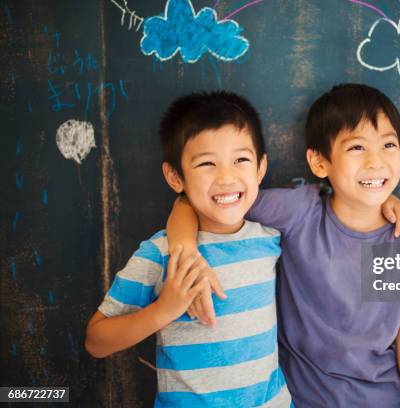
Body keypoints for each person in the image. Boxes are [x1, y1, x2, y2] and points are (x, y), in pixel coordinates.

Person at [168, 83, 400, 407]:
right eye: (357, 148)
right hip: (297, 401)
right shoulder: (299, 212)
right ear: (319, 162)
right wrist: (184, 247)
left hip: (381, 400)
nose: (376, 161)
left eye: (389, 144)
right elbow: (197, 200)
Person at [85, 91, 292, 407]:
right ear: (175, 176)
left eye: (241, 160)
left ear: (261, 168)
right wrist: (165, 309)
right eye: (207, 163)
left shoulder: (272, 240)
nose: (227, 177)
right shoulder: (161, 253)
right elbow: (96, 342)